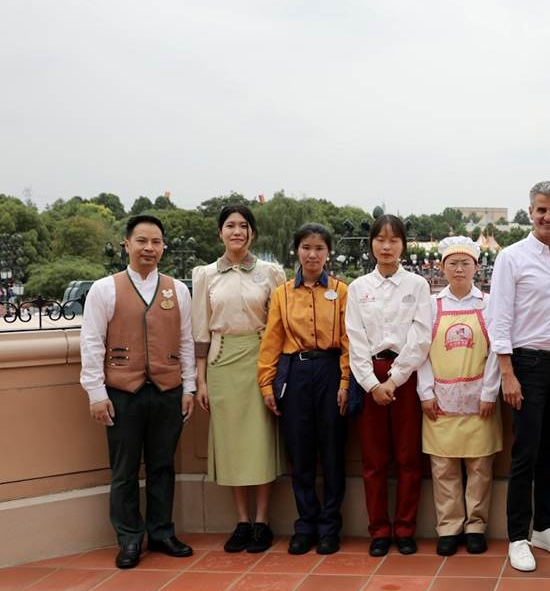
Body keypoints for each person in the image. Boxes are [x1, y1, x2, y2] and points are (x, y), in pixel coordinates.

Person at [79, 214, 196, 569]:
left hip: (167, 389)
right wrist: (96, 393)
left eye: (156, 242)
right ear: (126, 244)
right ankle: (129, 538)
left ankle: (161, 532)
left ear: (163, 247)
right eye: (142, 241)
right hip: (122, 392)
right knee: (125, 469)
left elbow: (187, 340)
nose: (149, 248)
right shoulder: (105, 289)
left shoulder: (178, 289)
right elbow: (91, 342)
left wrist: (189, 386)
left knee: (162, 466)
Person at [489, 180, 550, 572]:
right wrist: (507, 373)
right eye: (542, 210)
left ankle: (544, 526)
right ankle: (517, 536)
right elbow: (499, 317)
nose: (549, 217)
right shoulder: (511, 258)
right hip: (527, 366)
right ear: (530, 212)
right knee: (525, 454)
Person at [192, 204, 287, 554]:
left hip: (260, 361)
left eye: (243, 226)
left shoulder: (270, 272)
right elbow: (199, 331)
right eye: (230, 226)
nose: (237, 232)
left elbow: (280, 323)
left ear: (252, 233)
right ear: (220, 232)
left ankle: (263, 521)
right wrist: (200, 381)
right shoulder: (205, 275)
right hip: (221, 362)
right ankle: (242, 520)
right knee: (231, 445)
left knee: (260, 442)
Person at [257, 223, 350, 556]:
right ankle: (305, 523)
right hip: (295, 373)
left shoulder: (341, 291)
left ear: (328, 253)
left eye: (319, 248)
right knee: (300, 451)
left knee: (332, 451)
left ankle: (330, 526)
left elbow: (348, 340)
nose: (313, 254)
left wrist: (344, 381)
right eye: (306, 248)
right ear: (297, 251)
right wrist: (266, 382)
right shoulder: (282, 293)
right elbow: (272, 339)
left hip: (329, 368)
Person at [345, 215, 432, 557]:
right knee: (374, 460)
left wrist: (394, 378)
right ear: (371, 244)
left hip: (405, 376)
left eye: (393, 240)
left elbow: (421, 336)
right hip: (370, 376)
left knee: (409, 458)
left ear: (403, 246)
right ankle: (379, 529)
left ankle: (406, 527)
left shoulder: (418, 285)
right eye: (380, 239)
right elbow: (355, 337)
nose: (386, 246)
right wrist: (371, 382)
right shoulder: (358, 288)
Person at [416, 236, 501, 556]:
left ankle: (476, 525)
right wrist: (425, 392)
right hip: (441, 396)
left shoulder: (488, 303)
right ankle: (449, 526)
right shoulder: (432, 305)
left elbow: (496, 351)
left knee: (480, 466)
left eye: (466, 263)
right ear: (442, 267)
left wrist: (490, 391)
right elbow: (421, 352)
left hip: (479, 395)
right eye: (453, 263)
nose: (459, 269)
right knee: (444, 467)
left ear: (477, 268)